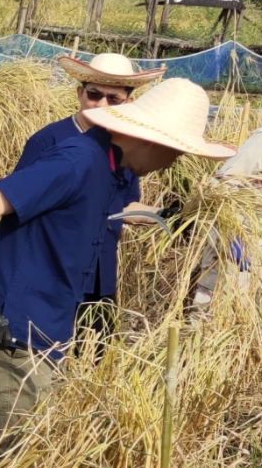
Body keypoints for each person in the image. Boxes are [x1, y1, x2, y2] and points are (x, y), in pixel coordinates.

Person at [0, 78, 233, 449]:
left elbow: (111, 212)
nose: (174, 163)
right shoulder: (76, 160)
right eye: (177, 152)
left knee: (39, 447)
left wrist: (167, 216)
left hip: (50, 329)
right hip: (15, 328)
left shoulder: (109, 168)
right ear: (154, 141)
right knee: (18, 453)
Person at [15, 52, 167, 332]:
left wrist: (164, 216)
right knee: (46, 352)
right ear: (79, 93)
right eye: (94, 95)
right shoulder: (49, 141)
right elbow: (18, 207)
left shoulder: (126, 147)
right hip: (53, 273)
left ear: (128, 103)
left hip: (100, 272)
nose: (101, 104)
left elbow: (124, 207)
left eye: (113, 99)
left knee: (96, 355)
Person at [190, 112, 262, 342]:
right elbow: (220, 188)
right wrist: (234, 236)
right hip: (241, 251)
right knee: (215, 325)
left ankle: (260, 373)